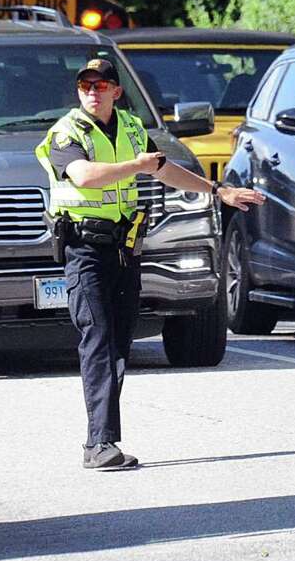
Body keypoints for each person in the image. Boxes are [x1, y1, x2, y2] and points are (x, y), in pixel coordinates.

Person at [34, 57, 264, 471]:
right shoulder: (66, 132)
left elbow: (165, 170)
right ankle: (99, 443)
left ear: (116, 92)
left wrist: (217, 190)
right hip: (84, 250)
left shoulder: (132, 128)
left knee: (120, 343)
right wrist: (136, 166)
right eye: (86, 84)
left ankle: (101, 440)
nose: (92, 90)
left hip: (124, 250)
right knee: (99, 340)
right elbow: (84, 176)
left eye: (101, 84)